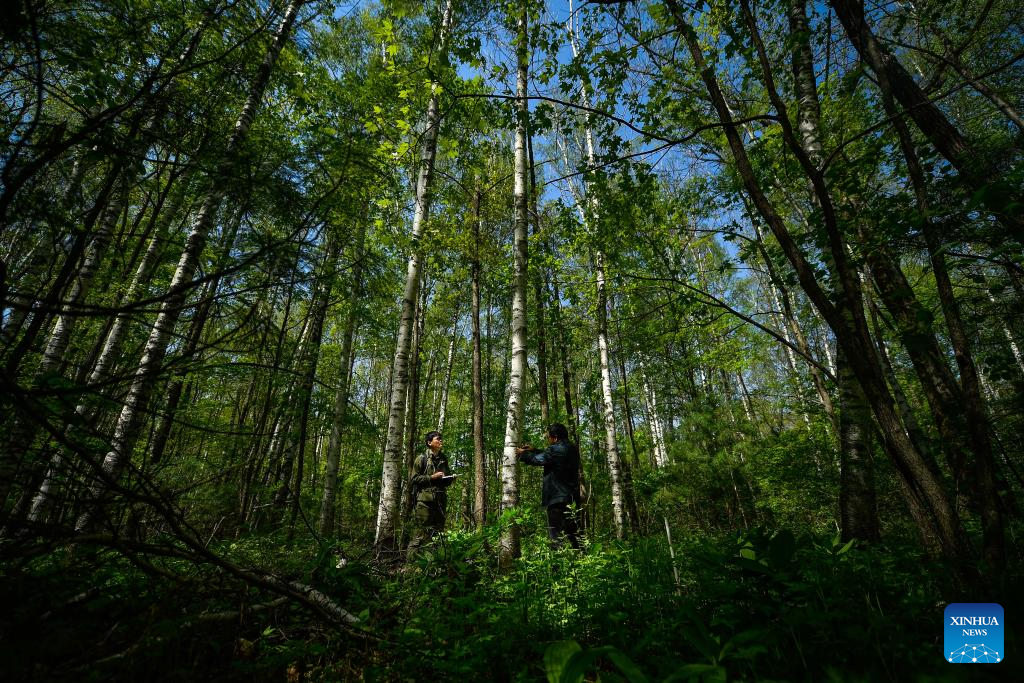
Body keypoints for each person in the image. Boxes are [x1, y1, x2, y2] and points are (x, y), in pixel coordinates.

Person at [516, 423, 582, 550]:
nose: (548, 440)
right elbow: (551, 456)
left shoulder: (555, 450)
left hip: (557, 500)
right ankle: (584, 562)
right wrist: (533, 450)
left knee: (555, 536)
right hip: (572, 499)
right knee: (574, 535)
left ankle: (557, 567)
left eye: (549, 437)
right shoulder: (573, 448)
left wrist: (522, 454)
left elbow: (538, 460)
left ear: (555, 437)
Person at [407, 430, 454, 558]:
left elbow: (445, 481)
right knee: (420, 534)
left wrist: (450, 478)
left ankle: (431, 564)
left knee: (437, 536)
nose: (440, 441)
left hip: (440, 502)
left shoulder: (444, 459)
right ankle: (411, 564)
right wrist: (431, 477)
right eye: (437, 439)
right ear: (429, 442)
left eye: (441, 439)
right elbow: (414, 479)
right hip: (425, 503)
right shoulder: (421, 458)